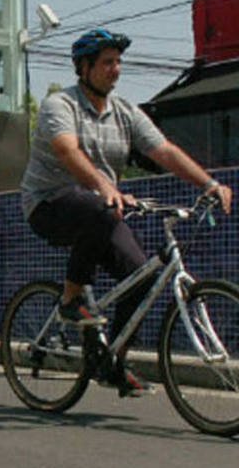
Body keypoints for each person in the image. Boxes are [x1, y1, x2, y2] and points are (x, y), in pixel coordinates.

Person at [21, 28, 233, 397]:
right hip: (48, 204)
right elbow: (67, 152)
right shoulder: (61, 106)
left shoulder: (125, 112)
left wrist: (208, 184)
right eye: (106, 63)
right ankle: (71, 299)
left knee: (142, 277)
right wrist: (106, 187)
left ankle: (110, 361)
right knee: (99, 208)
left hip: (100, 209)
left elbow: (163, 150)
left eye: (118, 62)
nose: (115, 69)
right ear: (83, 68)